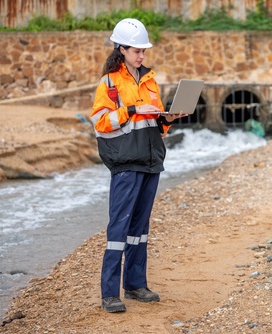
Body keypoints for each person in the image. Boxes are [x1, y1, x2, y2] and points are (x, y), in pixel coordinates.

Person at [91, 18, 186, 313]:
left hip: (150, 160)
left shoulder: (150, 80)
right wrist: (131, 109)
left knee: (139, 230)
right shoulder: (109, 83)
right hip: (124, 162)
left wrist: (167, 119)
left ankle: (135, 285)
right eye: (136, 51)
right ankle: (110, 293)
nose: (141, 56)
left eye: (144, 51)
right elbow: (100, 123)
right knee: (118, 228)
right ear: (121, 50)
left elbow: (155, 127)